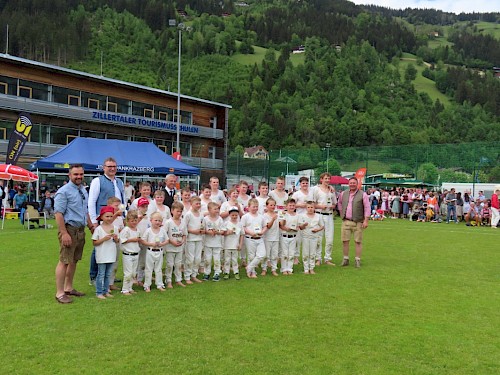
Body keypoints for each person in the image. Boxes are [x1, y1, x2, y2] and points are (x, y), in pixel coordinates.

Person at [54, 164, 92, 304]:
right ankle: (59, 293)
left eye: (81, 174)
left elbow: (85, 211)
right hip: (69, 229)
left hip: (80, 229)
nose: (79, 177)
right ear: (69, 175)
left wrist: (91, 226)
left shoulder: (82, 190)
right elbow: (58, 214)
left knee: (74, 260)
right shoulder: (64, 192)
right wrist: (64, 233)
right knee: (64, 261)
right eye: (76, 174)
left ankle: (68, 288)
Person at [88, 157, 125, 285]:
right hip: (103, 218)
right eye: (109, 166)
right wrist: (94, 221)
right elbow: (92, 201)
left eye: (114, 166)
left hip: (117, 219)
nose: (112, 168)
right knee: (98, 247)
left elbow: (122, 200)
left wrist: (123, 217)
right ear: (104, 167)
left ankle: (110, 277)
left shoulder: (119, 182)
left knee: (113, 246)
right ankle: (94, 276)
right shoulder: (97, 181)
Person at [337, 177, 370, 268]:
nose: (352, 184)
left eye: (354, 183)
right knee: (345, 241)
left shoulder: (363, 194)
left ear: (357, 184)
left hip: (358, 222)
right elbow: (339, 203)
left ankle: (357, 260)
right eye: (350, 183)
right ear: (348, 184)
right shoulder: (343, 193)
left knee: (358, 241)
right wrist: (341, 212)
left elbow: (367, 207)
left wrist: (366, 220)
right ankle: (345, 259)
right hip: (346, 221)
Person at [91, 206, 119, 300]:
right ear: (102, 217)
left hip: (111, 254)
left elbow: (117, 241)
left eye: (111, 216)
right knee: (101, 274)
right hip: (102, 255)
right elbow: (94, 242)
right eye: (107, 216)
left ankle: (106, 291)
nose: (109, 218)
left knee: (108, 274)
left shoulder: (115, 228)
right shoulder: (98, 229)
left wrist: (115, 239)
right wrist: (103, 239)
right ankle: (99, 292)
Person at [312, 172, 336, 266]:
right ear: (321, 179)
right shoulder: (316, 189)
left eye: (328, 179)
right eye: (325, 178)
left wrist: (331, 206)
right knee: (318, 238)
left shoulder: (331, 191)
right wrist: (320, 206)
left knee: (329, 238)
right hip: (319, 214)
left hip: (329, 215)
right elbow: (312, 204)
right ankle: (318, 258)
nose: (327, 180)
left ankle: (327, 258)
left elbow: (334, 203)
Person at [142, 212, 169, 292]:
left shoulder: (162, 231)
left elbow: (167, 240)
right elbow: (143, 241)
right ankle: (147, 285)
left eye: (159, 221)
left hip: (159, 251)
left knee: (158, 269)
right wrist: (151, 244)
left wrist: (162, 244)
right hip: (150, 251)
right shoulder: (148, 231)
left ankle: (159, 284)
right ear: (151, 220)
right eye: (156, 220)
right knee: (149, 269)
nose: (157, 222)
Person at [241, 198, 268, 279]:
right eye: (253, 207)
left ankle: (249, 267)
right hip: (250, 238)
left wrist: (262, 232)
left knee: (262, 254)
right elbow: (243, 227)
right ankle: (252, 272)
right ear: (248, 207)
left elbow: (265, 226)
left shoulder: (261, 216)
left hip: (259, 238)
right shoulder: (245, 217)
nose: (255, 208)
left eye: (256, 207)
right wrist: (250, 232)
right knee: (251, 256)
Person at [164, 202, 187, 289]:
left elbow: (184, 234)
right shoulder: (168, 222)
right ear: (172, 211)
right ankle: (168, 280)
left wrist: (182, 241)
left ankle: (178, 280)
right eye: (177, 211)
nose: (179, 213)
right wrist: (171, 241)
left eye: (181, 211)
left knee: (178, 264)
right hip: (170, 247)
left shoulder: (183, 222)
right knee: (170, 264)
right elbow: (164, 235)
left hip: (180, 247)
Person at [119, 210, 141, 295]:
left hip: (136, 253)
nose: (134, 222)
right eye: (132, 221)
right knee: (128, 273)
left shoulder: (137, 230)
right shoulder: (126, 230)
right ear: (128, 221)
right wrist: (132, 239)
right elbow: (122, 241)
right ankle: (125, 289)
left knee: (133, 272)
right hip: (128, 254)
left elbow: (139, 238)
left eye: (135, 221)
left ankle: (130, 287)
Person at [299, 201, 324, 274]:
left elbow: (322, 226)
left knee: (313, 253)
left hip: (314, 237)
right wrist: (304, 225)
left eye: (312, 207)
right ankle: (306, 269)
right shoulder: (302, 216)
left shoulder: (318, 216)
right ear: (306, 208)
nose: (310, 209)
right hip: (305, 237)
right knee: (305, 253)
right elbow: (300, 227)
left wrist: (317, 229)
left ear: (314, 208)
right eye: (308, 207)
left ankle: (311, 268)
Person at [183, 196, 204, 284]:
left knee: (198, 258)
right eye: (196, 204)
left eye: (199, 204)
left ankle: (194, 275)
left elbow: (202, 225)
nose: (198, 205)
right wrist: (192, 231)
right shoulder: (188, 214)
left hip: (199, 239)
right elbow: (184, 227)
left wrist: (201, 230)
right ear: (191, 204)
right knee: (190, 258)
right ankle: (187, 276)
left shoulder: (201, 214)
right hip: (190, 239)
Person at [202, 202, 225, 281]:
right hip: (207, 242)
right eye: (215, 209)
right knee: (207, 258)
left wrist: (217, 232)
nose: (217, 210)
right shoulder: (205, 219)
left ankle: (217, 272)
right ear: (209, 210)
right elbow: (202, 230)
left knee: (217, 258)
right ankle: (207, 273)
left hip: (217, 243)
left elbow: (223, 231)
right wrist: (209, 232)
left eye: (217, 209)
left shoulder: (220, 219)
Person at [279, 198, 299, 275]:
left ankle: (290, 268)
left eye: (293, 205)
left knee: (291, 253)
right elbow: (281, 225)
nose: (291, 207)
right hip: (284, 236)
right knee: (284, 253)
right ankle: (284, 269)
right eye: (290, 205)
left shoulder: (297, 215)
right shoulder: (283, 213)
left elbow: (298, 226)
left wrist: (296, 228)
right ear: (286, 206)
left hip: (293, 236)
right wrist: (286, 228)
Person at [222, 207, 243, 280]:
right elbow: (222, 233)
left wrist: (240, 244)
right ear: (229, 215)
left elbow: (242, 235)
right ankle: (226, 272)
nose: (234, 217)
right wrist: (228, 232)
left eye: (236, 215)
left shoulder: (240, 224)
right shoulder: (226, 223)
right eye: (232, 215)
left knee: (235, 259)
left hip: (235, 245)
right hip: (227, 245)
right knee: (227, 259)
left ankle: (236, 272)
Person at [262, 198, 280, 276]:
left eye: (274, 205)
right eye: (271, 205)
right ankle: (264, 269)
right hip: (267, 238)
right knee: (266, 254)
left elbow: (281, 224)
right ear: (267, 206)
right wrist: (273, 219)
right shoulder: (264, 216)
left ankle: (274, 269)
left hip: (276, 237)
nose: (273, 207)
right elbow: (268, 226)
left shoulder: (278, 215)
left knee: (274, 254)